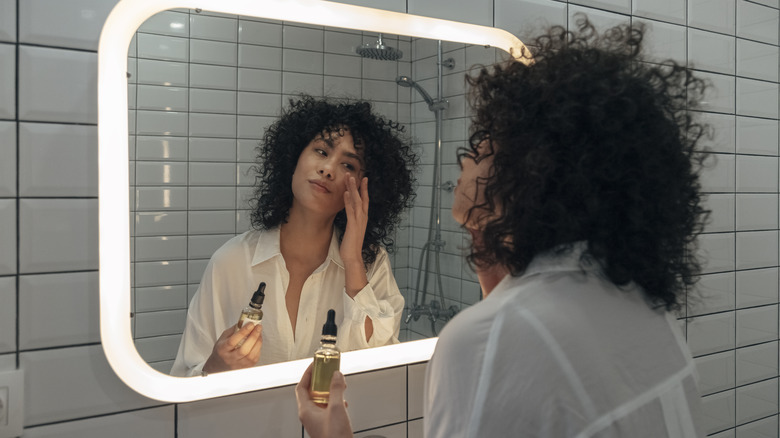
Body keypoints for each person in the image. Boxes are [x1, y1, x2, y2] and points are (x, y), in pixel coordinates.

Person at [297, 18, 708, 437]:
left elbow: (506, 337)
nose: (464, 157)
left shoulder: (490, 341)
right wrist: (487, 242)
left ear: (532, 169)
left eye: (483, 143)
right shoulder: (645, 311)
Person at [171, 96, 417, 376]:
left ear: (365, 188)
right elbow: (183, 376)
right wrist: (216, 366)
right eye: (322, 152)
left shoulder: (371, 263)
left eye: (348, 165)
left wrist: (352, 262)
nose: (328, 169)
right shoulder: (231, 261)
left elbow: (383, 366)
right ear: (294, 157)